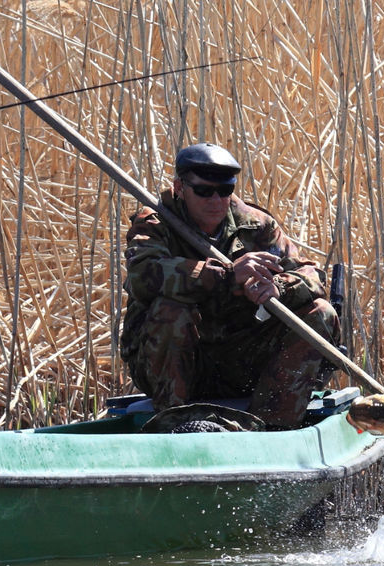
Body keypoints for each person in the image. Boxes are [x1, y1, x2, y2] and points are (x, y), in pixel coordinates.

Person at [120, 143, 339, 429]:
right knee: (171, 309)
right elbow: (142, 276)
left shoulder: (257, 225)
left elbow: (310, 274)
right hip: (175, 361)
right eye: (204, 191)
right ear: (180, 187)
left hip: (239, 358)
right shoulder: (155, 223)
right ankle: (177, 425)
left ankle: (270, 428)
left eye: (224, 191)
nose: (216, 200)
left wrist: (278, 289)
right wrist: (225, 275)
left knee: (320, 312)